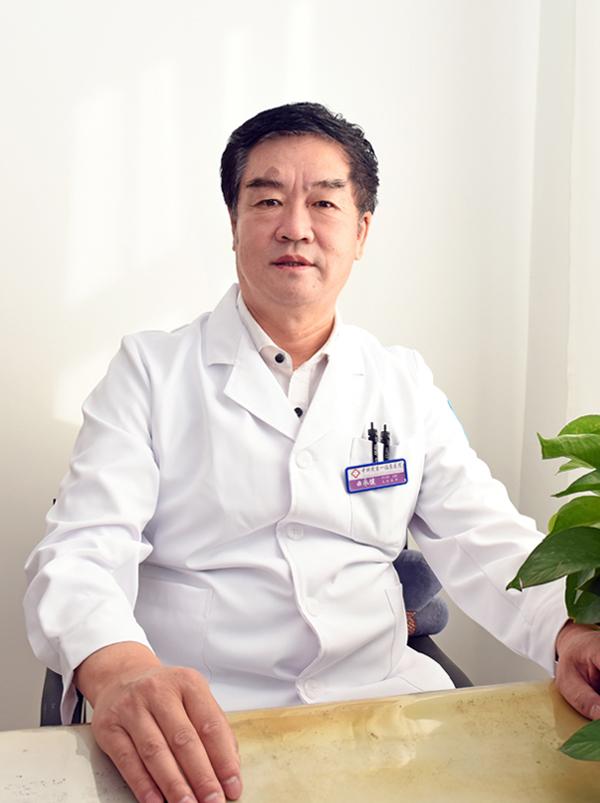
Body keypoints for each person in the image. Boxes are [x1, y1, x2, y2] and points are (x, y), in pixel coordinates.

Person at [24, 102, 600, 803]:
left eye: (324, 202)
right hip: (204, 724)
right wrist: (118, 668)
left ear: (361, 232)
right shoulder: (149, 372)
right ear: (233, 223)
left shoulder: (402, 382)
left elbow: (487, 539)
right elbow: (80, 552)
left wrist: (568, 628)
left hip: (384, 713)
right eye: (267, 199)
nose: (295, 226)